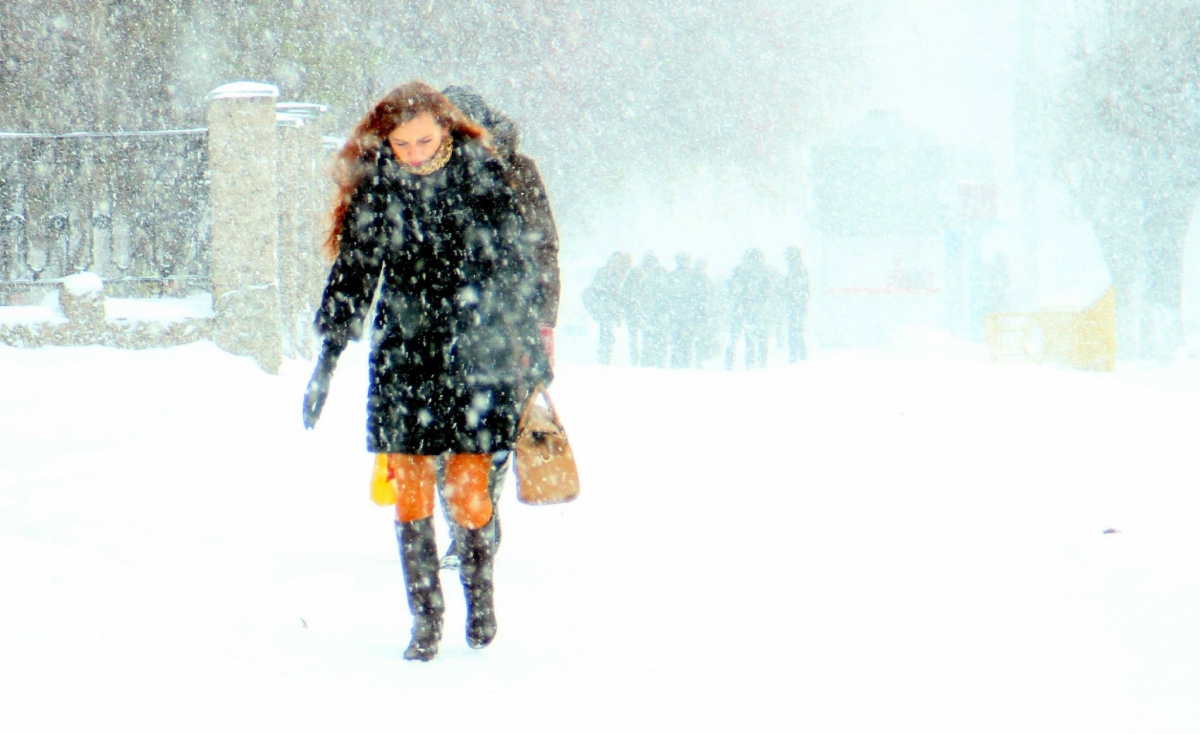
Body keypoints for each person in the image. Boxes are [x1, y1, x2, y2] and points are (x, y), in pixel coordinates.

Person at [301, 82, 544, 662]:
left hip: (475, 351)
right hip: (404, 354)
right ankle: (427, 620)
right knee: (409, 491)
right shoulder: (377, 187)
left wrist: (529, 347)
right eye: (401, 143)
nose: (412, 153)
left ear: (446, 127)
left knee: (468, 493)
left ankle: (479, 597)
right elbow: (354, 273)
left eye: (424, 140)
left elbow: (516, 265)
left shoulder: (483, 178)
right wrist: (328, 359)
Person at [437, 86, 560, 570]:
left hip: (507, 328)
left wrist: (542, 323)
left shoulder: (516, 171)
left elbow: (543, 249)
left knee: (491, 437)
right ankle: (465, 530)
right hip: (444, 330)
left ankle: (476, 523)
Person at [725, 248, 774, 369]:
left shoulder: (742, 273)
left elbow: (733, 292)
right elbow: (768, 293)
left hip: (747, 310)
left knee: (744, 339)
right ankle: (757, 365)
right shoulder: (762, 274)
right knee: (756, 339)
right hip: (753, 310)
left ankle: (743, 365)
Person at [583, 251, 632, 364]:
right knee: (607, 334)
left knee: (607, 334)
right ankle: (604, 358)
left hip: (608, 308)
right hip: (605, 308)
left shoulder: (615, 273)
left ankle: (604, 357)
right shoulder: (606, 273)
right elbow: (604, 291)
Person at [781, 246, 810, 362]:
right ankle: (798, 356)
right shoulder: (797, 269)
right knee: (796, 332)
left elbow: (796, 289)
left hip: (796, 306)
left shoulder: (797, 270)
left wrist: (787, 292)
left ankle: (796, 357)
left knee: (795, 333)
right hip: (796, 306)